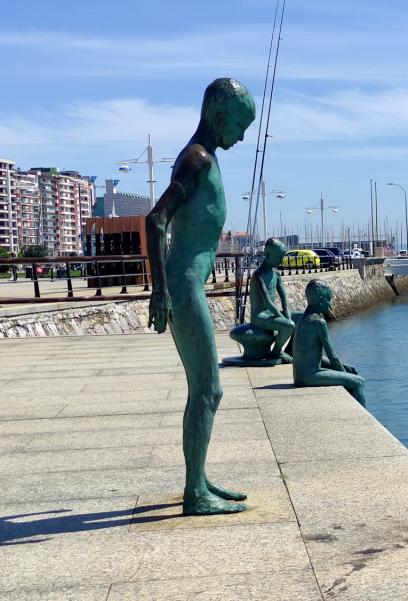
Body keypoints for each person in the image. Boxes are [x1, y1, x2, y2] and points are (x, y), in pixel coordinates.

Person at [146, 78, 255, 515]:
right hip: (183, 288)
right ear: (220, 115)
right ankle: (195, 494)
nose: (243, 136)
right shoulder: (196, 159)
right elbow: (155, 220)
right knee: (208, 390)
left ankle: (200, 478)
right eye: (240, 125)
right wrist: (160, 291)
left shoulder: (204, 157)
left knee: (204, 390)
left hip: (188, 285)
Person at [292, 280, 366, 406]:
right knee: (359, 382)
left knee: (350, 372)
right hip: (310, 377)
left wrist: (345, 366)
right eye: (329, 299)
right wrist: (346, 375)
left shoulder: (302, 318)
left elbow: (313, 355)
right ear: (321, 300)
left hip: (299, 375)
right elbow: (332, 356)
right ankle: (364, 424)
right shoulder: (318, 322)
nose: (330, 305)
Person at [225, 238, 294, 364]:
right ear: (268, 255)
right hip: (260, 317)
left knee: (299, 317)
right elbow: (267, 301)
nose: (281, 260)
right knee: (289, 325)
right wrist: (283, 318)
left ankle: (290, 349)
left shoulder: (276, 274)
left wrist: (288, 315)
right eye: (279, 257)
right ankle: (276, 352)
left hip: (271, 315)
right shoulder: (258, 275)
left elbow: (283, 297)